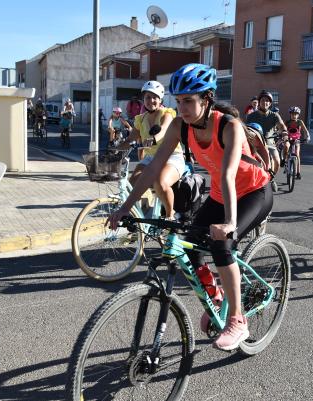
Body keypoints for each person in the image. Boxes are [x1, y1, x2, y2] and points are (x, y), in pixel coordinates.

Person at [108, 63, 272, 351]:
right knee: (188, 245)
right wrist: (125, 208)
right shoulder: (181, 126)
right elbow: (153, 168)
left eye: (188, 101)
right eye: (178, 101)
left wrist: (230, 223)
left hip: (253, 193)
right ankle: (217, 298)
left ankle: (237, 319)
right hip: (223, 194)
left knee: (223, 246)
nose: (181, 108)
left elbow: (227, 174)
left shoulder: (229, 126)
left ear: (206, 99)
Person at [116, 80, 185, 219]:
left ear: (160, 99)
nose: (151, 100)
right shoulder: (140, 119)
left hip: (172, 156)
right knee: (132, 183)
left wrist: (153, 139)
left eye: (155, 97)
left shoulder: (167, 113)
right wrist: (115, 148)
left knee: (160, 182)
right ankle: (142, 211)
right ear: (143, 99)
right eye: (147, 97)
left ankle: (170, 215)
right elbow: (131, 139)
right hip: (151, 157)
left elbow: (164, 129)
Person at [245, 90, 287, 177]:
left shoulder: (274, 115)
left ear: (270, 103)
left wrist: (284, 133)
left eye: (267, 101)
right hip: (256, 144)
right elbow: (246, 128)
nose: (265, 102)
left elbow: (281, 125)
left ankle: (271, 178)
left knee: (277, 161)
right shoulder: (251, 116)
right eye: (263, 100)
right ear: (259, 102)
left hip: (270, 143)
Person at [282, 106, 311, 179]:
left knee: (297, 154)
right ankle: (284, 160)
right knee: (286, 147)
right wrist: (281, 135)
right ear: (290, 114)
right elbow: (283, 130)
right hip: (288, 139)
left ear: (298, 115)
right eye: (292, 114)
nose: (294, 116)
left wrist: (308, 136)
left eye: (296, 114)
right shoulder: (287, 122)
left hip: (297, 140)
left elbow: (305, 130)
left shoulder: (300, 122)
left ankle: (298, 172)